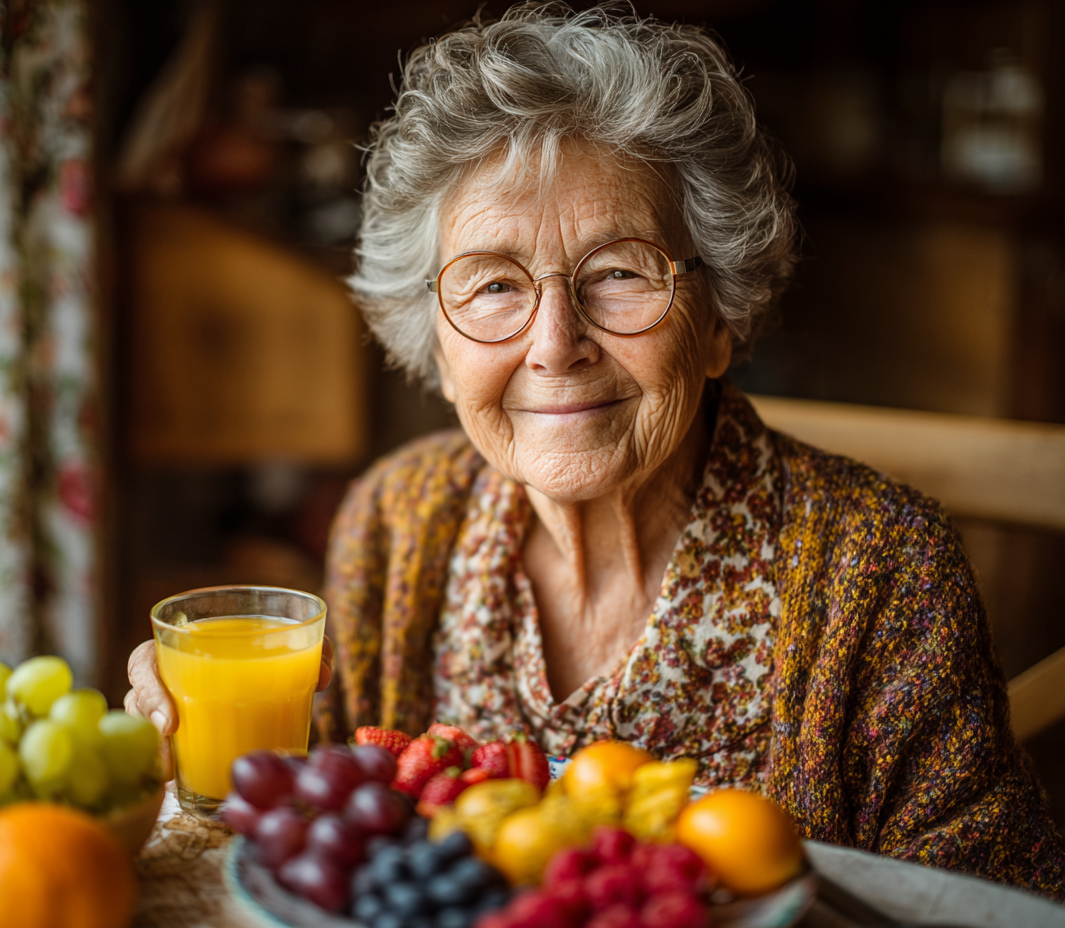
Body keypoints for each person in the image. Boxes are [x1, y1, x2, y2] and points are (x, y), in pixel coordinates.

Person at [126, 3, 1065, 898]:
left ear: (718, 321)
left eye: (619, 272)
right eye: (494, 286)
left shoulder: (885, 569)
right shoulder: (397, 519)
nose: (554, 344)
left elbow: (986, 904)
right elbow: (326, 830)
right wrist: (201, 755)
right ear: (438, 349)